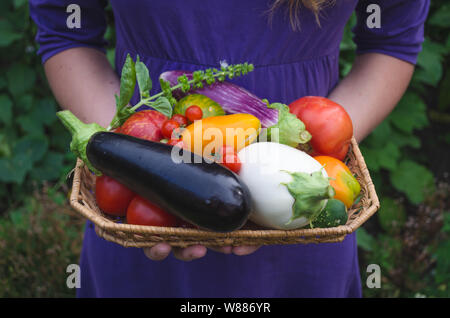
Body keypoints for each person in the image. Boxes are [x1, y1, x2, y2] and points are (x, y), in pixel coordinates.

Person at [29, 0, 429, 297]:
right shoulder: (141, 169)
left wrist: (307, 169)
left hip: (302, 215)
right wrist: (137, 162)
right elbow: (67, 28)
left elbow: (390, 40)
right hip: (142, 213)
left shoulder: (310, 192)